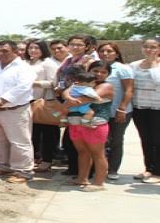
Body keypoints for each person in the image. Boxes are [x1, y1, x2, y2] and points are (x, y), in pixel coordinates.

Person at [0, 40, 35, 184]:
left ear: (15, 51)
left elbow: (23, 86)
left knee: (19, 141)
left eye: (5, 51)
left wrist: (3, 100)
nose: (1, 54)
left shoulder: (23, 68)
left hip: (15, 110)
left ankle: (23, 170)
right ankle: (5, 165)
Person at [64, 62, 113, 191]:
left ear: (108, 74)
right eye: (96, 70)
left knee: (98, 154)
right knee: (82, 152)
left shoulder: (106, 86)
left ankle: (98, 183)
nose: (99, 74)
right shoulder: (79, 84)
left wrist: (66, 104)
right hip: (76, 123)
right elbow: (66, 93)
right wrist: (68, 98)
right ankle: (82, 178)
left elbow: (83, 100)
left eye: (103, 72)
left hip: (95, 124)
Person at [56, 34, 97, 176]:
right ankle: (74, 168)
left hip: (81, 102)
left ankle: (87, 171)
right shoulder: (68, 60)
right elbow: (61, 77)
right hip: (68, 99)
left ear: (86, 47)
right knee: (70, 139)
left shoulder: (89, 61)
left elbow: (88, 81)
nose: (75, 47)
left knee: (82, 139)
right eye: (72, 44)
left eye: (79, 45)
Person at [96, 42, 134, 180]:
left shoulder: (122, 69)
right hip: (100, 112)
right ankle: (100, 168)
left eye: (109, 51)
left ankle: (113, 169)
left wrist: (122, 108)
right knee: (100, 141)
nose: (105, 54)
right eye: (102, 51)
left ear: (116, 54)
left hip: (118, 111)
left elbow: (129, 90)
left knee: (116, 140)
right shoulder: (96, 67)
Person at [25, 38, 61, 173]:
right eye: (30, 48)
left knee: (47, 133)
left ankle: (47, 160)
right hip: (28, 101)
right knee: (32, 133)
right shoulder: (26, 62)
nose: (33, 50)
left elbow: (53, 83)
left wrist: (34, 83)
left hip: (44, 102)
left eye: (36, 48)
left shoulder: (48, 63)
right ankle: (35, 158)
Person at [129, 37, 160, 184]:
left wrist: (153, 63)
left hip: (157, 108)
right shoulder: (134, 65)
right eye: (146, 46)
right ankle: (149, 168)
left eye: (153, 47)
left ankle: (158, 172)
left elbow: (158, 81)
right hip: (140, 107)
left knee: (157, 140)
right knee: (146, 139)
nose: (149, 50)